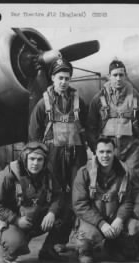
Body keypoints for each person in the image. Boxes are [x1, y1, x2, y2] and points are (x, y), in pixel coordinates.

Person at [0, 142, 74, 263]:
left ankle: (48, 250)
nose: (35, 163)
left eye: (40, 159)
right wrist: (16, 220)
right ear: (24, 158)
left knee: (68, 211)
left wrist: (52, 212)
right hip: (15, 221)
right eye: (32, 159)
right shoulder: (9, 175)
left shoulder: (47, 173)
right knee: (15, 244)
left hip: (37, 218)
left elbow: (58, 195)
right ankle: (9, 255)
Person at [70, 137, 139, 263]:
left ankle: (113, 246)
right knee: (87, 237)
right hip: (93, 221)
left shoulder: (125, 172)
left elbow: (128, 201)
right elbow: (79, 204)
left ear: (114, 152)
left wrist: (120, 219)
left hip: (114, 218)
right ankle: (85, 250)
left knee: (134, 228)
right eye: (101, 152)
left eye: (108, 152)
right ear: (95, 153)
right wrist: (101, 223)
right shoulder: (84, 173)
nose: (105, 155)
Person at [29, 57, 88, 195]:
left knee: (78, 189)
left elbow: (88, 128)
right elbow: (34, 134)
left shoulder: (79, 102)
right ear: (53, 78)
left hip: (76, 153)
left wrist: (96, 147)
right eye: (60, 78)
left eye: (67, 79)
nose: (63, 82)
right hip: (53, 153)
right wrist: (37, 156)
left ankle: (77, 215)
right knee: (55, 190)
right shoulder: (42, 104)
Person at [86, 60, 139, 169]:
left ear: (125, 76)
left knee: (134, 180)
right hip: (107, 150)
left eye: (121, 75)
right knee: (108, 182)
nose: (118, 78)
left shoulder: (136, 98)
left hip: (132, 151)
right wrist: (96, 148)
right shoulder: (98, 99)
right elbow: (90, 127)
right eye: (115, 75)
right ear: (109, 76)